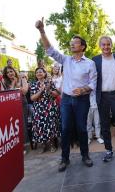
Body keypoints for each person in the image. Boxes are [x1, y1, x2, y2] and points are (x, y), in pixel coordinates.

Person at [35, 18, 97, 172]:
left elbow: (93, 84)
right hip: (67, 100)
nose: (71, 44)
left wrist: (83, 90)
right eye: (71, 42)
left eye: (75, 42)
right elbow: (50, 49)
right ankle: (65, 159)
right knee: (66, 128)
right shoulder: (65, 60)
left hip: (82, 100)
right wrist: (42, 31)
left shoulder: (90, 63)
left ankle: (85, 155)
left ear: (82, 46)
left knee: (82, 129)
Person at [30, 68, 60, 153]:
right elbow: (32, 98)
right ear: (35, 75)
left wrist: (49, 90)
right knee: (40, 127)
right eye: (37, 72)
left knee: (51, 125)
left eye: (41, 72)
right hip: (39, 108)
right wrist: (41, 91)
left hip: (49, 107)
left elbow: (56, 94)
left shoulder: (50, 83)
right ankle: (44, 145)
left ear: (44, 73)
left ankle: (52, 144)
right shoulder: (33, 84)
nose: (39, 73)